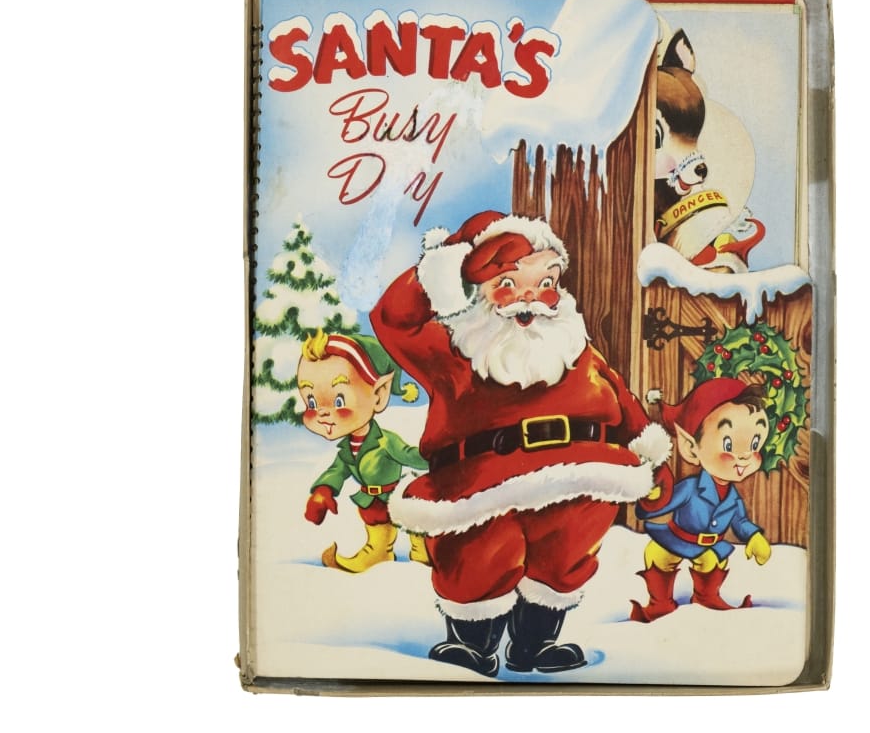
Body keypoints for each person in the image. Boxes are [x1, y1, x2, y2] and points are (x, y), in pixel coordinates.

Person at [371, 210, 670, 677]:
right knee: (481, 555)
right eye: (508, 284)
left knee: (564, 558)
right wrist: (445, 264)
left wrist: (650, 457)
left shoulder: (574, 348)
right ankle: (471, 646)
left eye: (545, 283)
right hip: (483, 481)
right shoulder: (456, 351)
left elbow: (622, 402)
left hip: (584, 475)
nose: (530, 298)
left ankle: (536, 643)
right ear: (476, 289)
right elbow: (394, 320)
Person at [630, 377, 772, 622]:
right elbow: (660, 505)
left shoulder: (732, 498)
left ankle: (707, 599)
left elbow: (740, 521)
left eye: (754, 443)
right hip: (674, 538)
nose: (744, 456)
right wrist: (653, 498)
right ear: (690, 447)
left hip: (707, 546)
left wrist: (754, 536)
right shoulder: (689, 488)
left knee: (713, 563)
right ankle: (659, 604)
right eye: (728, 444)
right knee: (657, 557)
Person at [297, 329, 428, 572]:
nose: (322, 413)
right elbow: (338, 470)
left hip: (396, 495)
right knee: (376, 524)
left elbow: (410, 455)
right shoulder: (347, 449)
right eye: (312, 402)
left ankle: (423, 552)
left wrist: (437, 458)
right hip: (372, 499)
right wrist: (323, 491)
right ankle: (377, 552)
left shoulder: (385, 441)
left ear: (379, 395)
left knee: (414, 518)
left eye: (338, 400)